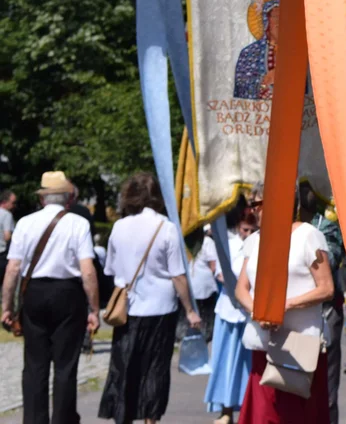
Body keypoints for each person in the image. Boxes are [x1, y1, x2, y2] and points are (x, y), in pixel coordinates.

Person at [99, 172, 202, 424]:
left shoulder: (119, 227)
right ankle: (150, 418)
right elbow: (177, 275)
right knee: (155, 367)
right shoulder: (166, 228)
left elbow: (111, 270)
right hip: (161, 307)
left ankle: (123, 416)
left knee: (125, 366)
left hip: (128, 307)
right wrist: (189, 309)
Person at [1, 172, 98, 424]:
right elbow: (87, 269)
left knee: (34, 364)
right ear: (67, 198)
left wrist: (6, 306)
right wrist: (95, 309)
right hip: (68, 293)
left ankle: (34, 420)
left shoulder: (25, 223)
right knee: (66, 366)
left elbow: (12, 268)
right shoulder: (78, 223)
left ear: (43, 198)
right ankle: (63, 420)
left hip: (34, 293)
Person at [235, 187, 334, 424]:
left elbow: (327, 288)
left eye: (257, 203)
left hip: (300, 347)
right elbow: (241, 288)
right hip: (263, 344)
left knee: (298, 416)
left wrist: (284, 305)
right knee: (264, 416)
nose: (253, 210)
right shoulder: (254, 240)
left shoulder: (308, 235)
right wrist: (259, 311)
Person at [296, 182, 346, 424]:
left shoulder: (325, 229)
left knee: (325, 384)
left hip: (326, 313)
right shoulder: (287, 230)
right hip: (295, 314)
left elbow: (332, 260)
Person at [204, 202, 258, 424]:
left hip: (251, 313)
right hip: (229, 309)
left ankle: (250, 410)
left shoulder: (259, 244)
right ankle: (225, 410)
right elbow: (220, 273)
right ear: (238, 227)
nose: (248, 234)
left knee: (250, 365)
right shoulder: (230, 243)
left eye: (251, 230)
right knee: (225, 362)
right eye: (245, 230)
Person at [192, 224, 220, 341]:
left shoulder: (189, 241)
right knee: (206, 313)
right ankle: (205, 335)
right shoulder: (208, 241)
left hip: (192, 283)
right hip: (205, 285)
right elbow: (213, 265)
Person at [0, 189, 15, 276]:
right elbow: (7, 237)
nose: (14, 206)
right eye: (13, 203)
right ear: (5, 202)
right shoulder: (6, 215)